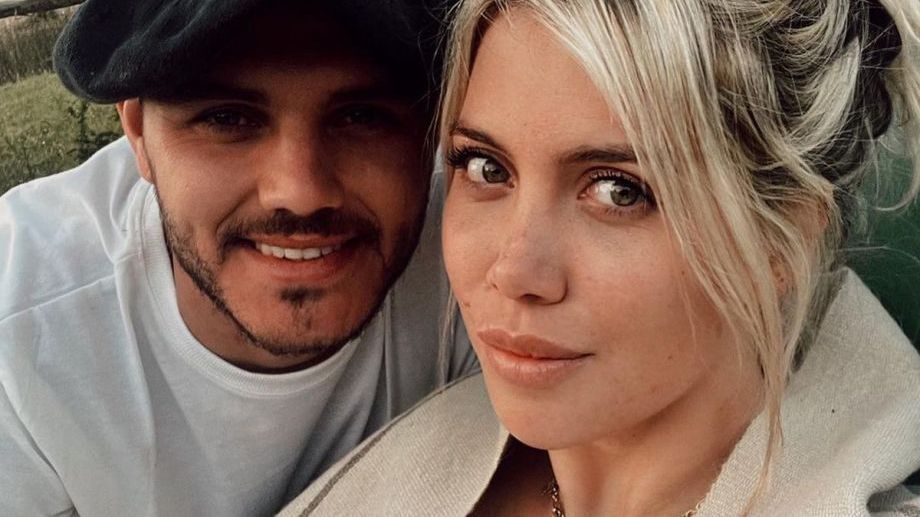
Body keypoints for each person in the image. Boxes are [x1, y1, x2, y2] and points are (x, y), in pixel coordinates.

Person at [281, 0, 920, 515]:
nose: (515, 272)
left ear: (783, 240)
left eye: (619, 191)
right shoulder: (386, 477)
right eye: (486, 168)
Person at [0, 1, 477, 515]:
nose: (300, 192)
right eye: (227, 118)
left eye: (362, 116)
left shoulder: (481, 239)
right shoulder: (19, 336)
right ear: (137, 133)